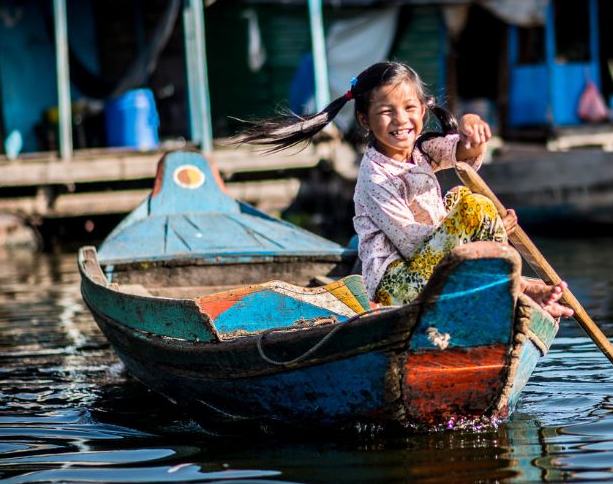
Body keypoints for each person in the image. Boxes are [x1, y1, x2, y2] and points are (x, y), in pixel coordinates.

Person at [235, 61, 573, 318]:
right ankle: (517, 288)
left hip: (433, 265)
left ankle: (510, 286)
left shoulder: (422, 152)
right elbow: (414, 244)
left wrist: (470, 127)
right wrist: (481, 228)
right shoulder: (374, 176)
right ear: (365, 120)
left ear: (423, 112)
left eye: (409, 109)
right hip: (396, 287)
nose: (400, 120)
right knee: (474, 209)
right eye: (386, 111)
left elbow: (462, 154)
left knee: (468, 200)